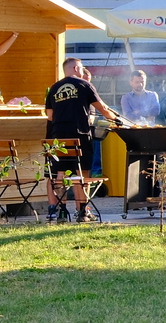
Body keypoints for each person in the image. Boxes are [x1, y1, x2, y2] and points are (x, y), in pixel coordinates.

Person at [43, 57, 121, 221]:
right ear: (76, 68)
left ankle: (61, 211)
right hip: (80, 134)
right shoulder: (84, 85)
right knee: (81, 173)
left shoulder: (55, 88)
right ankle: (82, 211)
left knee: (60, 174)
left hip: (58, 136)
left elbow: (50, 116)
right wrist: (115, 119)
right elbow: (102, 109)